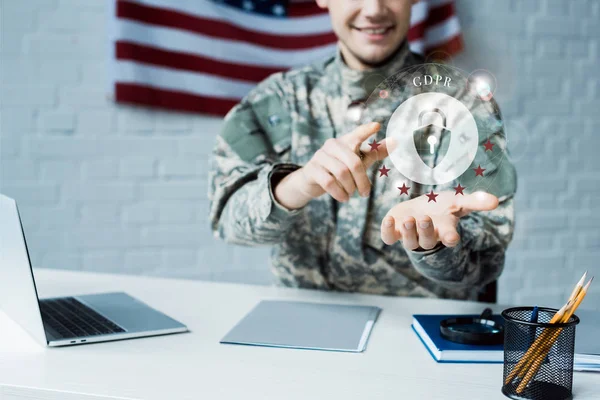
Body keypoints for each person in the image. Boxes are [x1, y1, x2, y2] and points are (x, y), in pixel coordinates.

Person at [208, 0, 517, 300]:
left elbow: (486, 259)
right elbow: (226, 221)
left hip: (419, 329)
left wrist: (435, 243)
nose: (373, 10)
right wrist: (296, 185)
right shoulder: (279, 99)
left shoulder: (463, 105)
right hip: (304, 323)